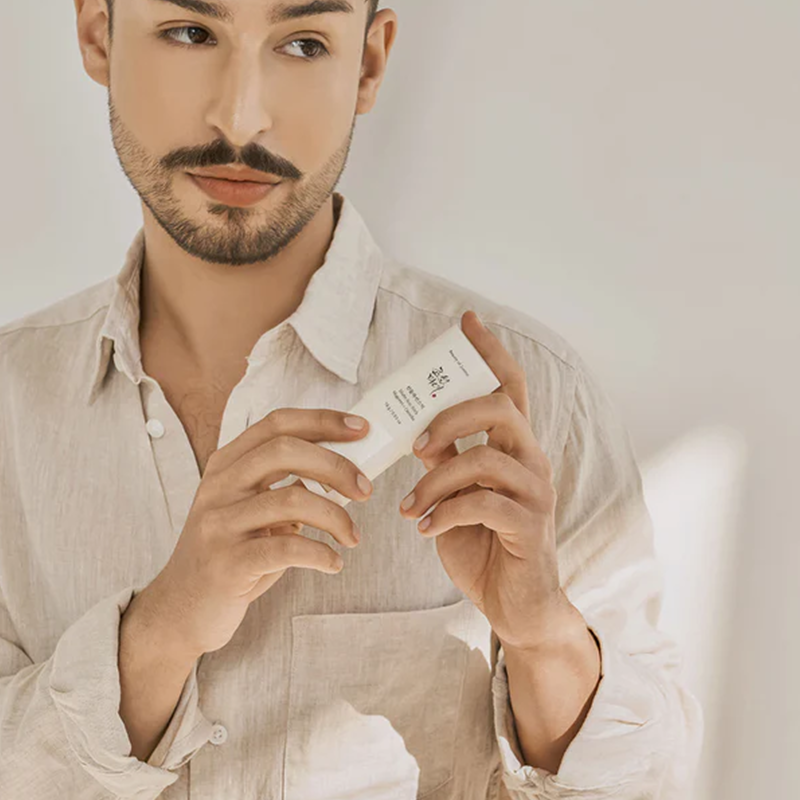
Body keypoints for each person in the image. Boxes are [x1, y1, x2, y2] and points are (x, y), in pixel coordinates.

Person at [0, 1, 703, 798]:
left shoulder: (534, 400)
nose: (241, 117)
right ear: (98, 33)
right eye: (192, 33)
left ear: (368, 63)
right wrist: (155, 638)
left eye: (303, 44)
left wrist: (544, 638)